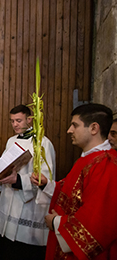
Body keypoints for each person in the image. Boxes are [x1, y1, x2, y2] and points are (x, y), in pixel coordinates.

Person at [32, 103, 117, 260]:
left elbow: (98, 219)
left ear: (93, 128)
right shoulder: (88, 159)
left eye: (74, 125)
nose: (69, 130)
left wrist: (57, 222)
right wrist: (46, 185)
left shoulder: (106, 164)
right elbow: (72, 191)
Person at [0, 104, 56, 260]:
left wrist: (18, 180)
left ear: (30, 120)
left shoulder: (42, 143)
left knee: (24, 252)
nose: (15, 124)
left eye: (19, 120)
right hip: (9, 202)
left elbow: (45, 177)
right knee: (7, 248)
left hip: (28, 206)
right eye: (12, 121)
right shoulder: (11, 141)